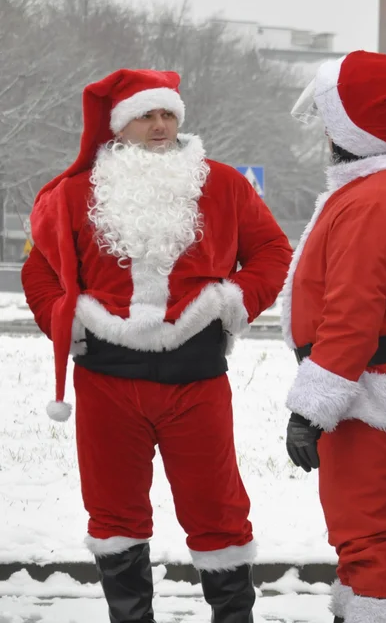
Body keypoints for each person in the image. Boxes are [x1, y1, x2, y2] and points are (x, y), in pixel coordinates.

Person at [21, 68, 293, 622]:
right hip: (104, 380)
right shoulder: (71, 193)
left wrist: (228, 300)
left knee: (217, 506)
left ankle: (234, 616)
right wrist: (70, 320)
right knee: (113, 511)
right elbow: (40, 271)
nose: (160, 125)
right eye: (146, 115)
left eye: (168, 114)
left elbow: (271, 251)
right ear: (120, 126)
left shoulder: (223, 184)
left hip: (196, 379)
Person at [280, 51, 386, 623]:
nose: (326, 132)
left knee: (368, 537)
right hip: (370, 382)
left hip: (360, 388)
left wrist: (311, 408)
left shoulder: (374, 199)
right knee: (361, 532)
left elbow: (352, 314)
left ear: (360, 127)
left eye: (333, 117)